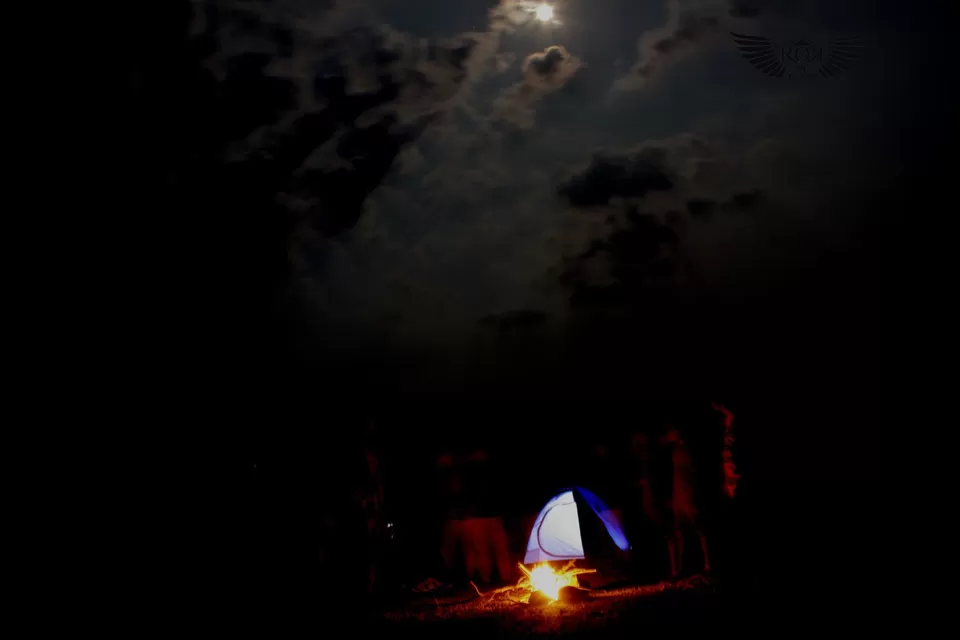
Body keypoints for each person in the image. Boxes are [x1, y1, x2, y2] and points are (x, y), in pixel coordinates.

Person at [661, 426, 710, 577]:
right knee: (683, 532)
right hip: (681, 496)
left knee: (695, 529)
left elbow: (691, 473)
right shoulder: (678, 452)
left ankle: (704, 564)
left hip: (686, 496)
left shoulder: (681, 452)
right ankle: (685, 566)